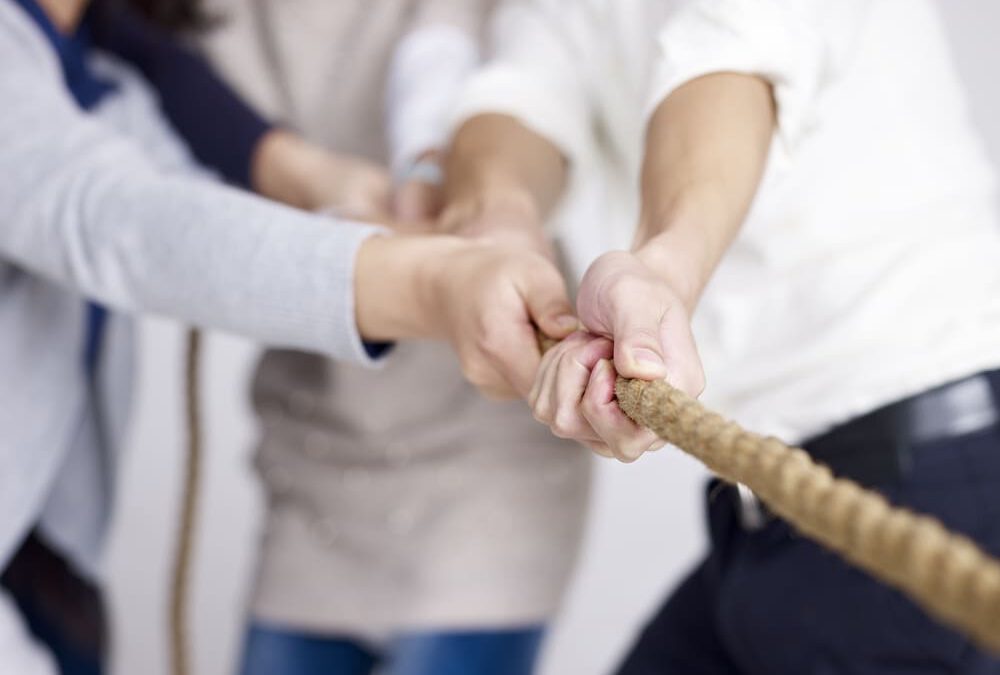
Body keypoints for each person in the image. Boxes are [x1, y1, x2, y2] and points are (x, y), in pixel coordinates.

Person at [0, 0, 577, 672]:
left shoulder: (108, 73)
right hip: (299, 480)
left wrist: (350, 194)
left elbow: (191, 197)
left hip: (54, 553)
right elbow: (125, 223)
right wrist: (428, 284)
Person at [443, 0, 1000, 672]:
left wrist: (660, 272)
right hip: (767, 513)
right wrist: (499, 227)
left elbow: (736, 50)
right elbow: (519, 93)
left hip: (934, 474)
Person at [196, 2, 591, 673]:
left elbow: (448, 51)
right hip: (315, 452)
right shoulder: (186, 23)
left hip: (483, 460)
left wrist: (427, 170)